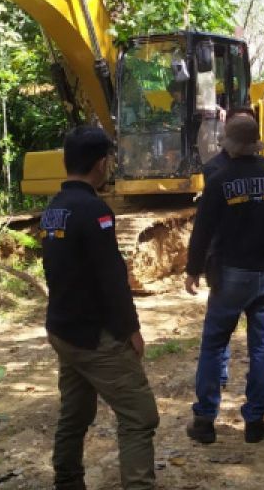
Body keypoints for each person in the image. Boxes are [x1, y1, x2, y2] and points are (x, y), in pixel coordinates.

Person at [40, 125, 159, 490]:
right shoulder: (94, 210)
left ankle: (68, 480)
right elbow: (111, 280)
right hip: (93, 335)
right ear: (102, 163)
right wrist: (130, 330)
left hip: (63, 328)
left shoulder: (54, 208)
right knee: (140, 416)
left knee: (76, 413)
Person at [185, 116, 264, 445]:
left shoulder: (220, 180)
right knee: (261, 348)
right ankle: (255, 422)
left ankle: (204, 421)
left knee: (214, 345)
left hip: (230, 275)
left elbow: (202, 230)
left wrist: (192, 269)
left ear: (229, 145)